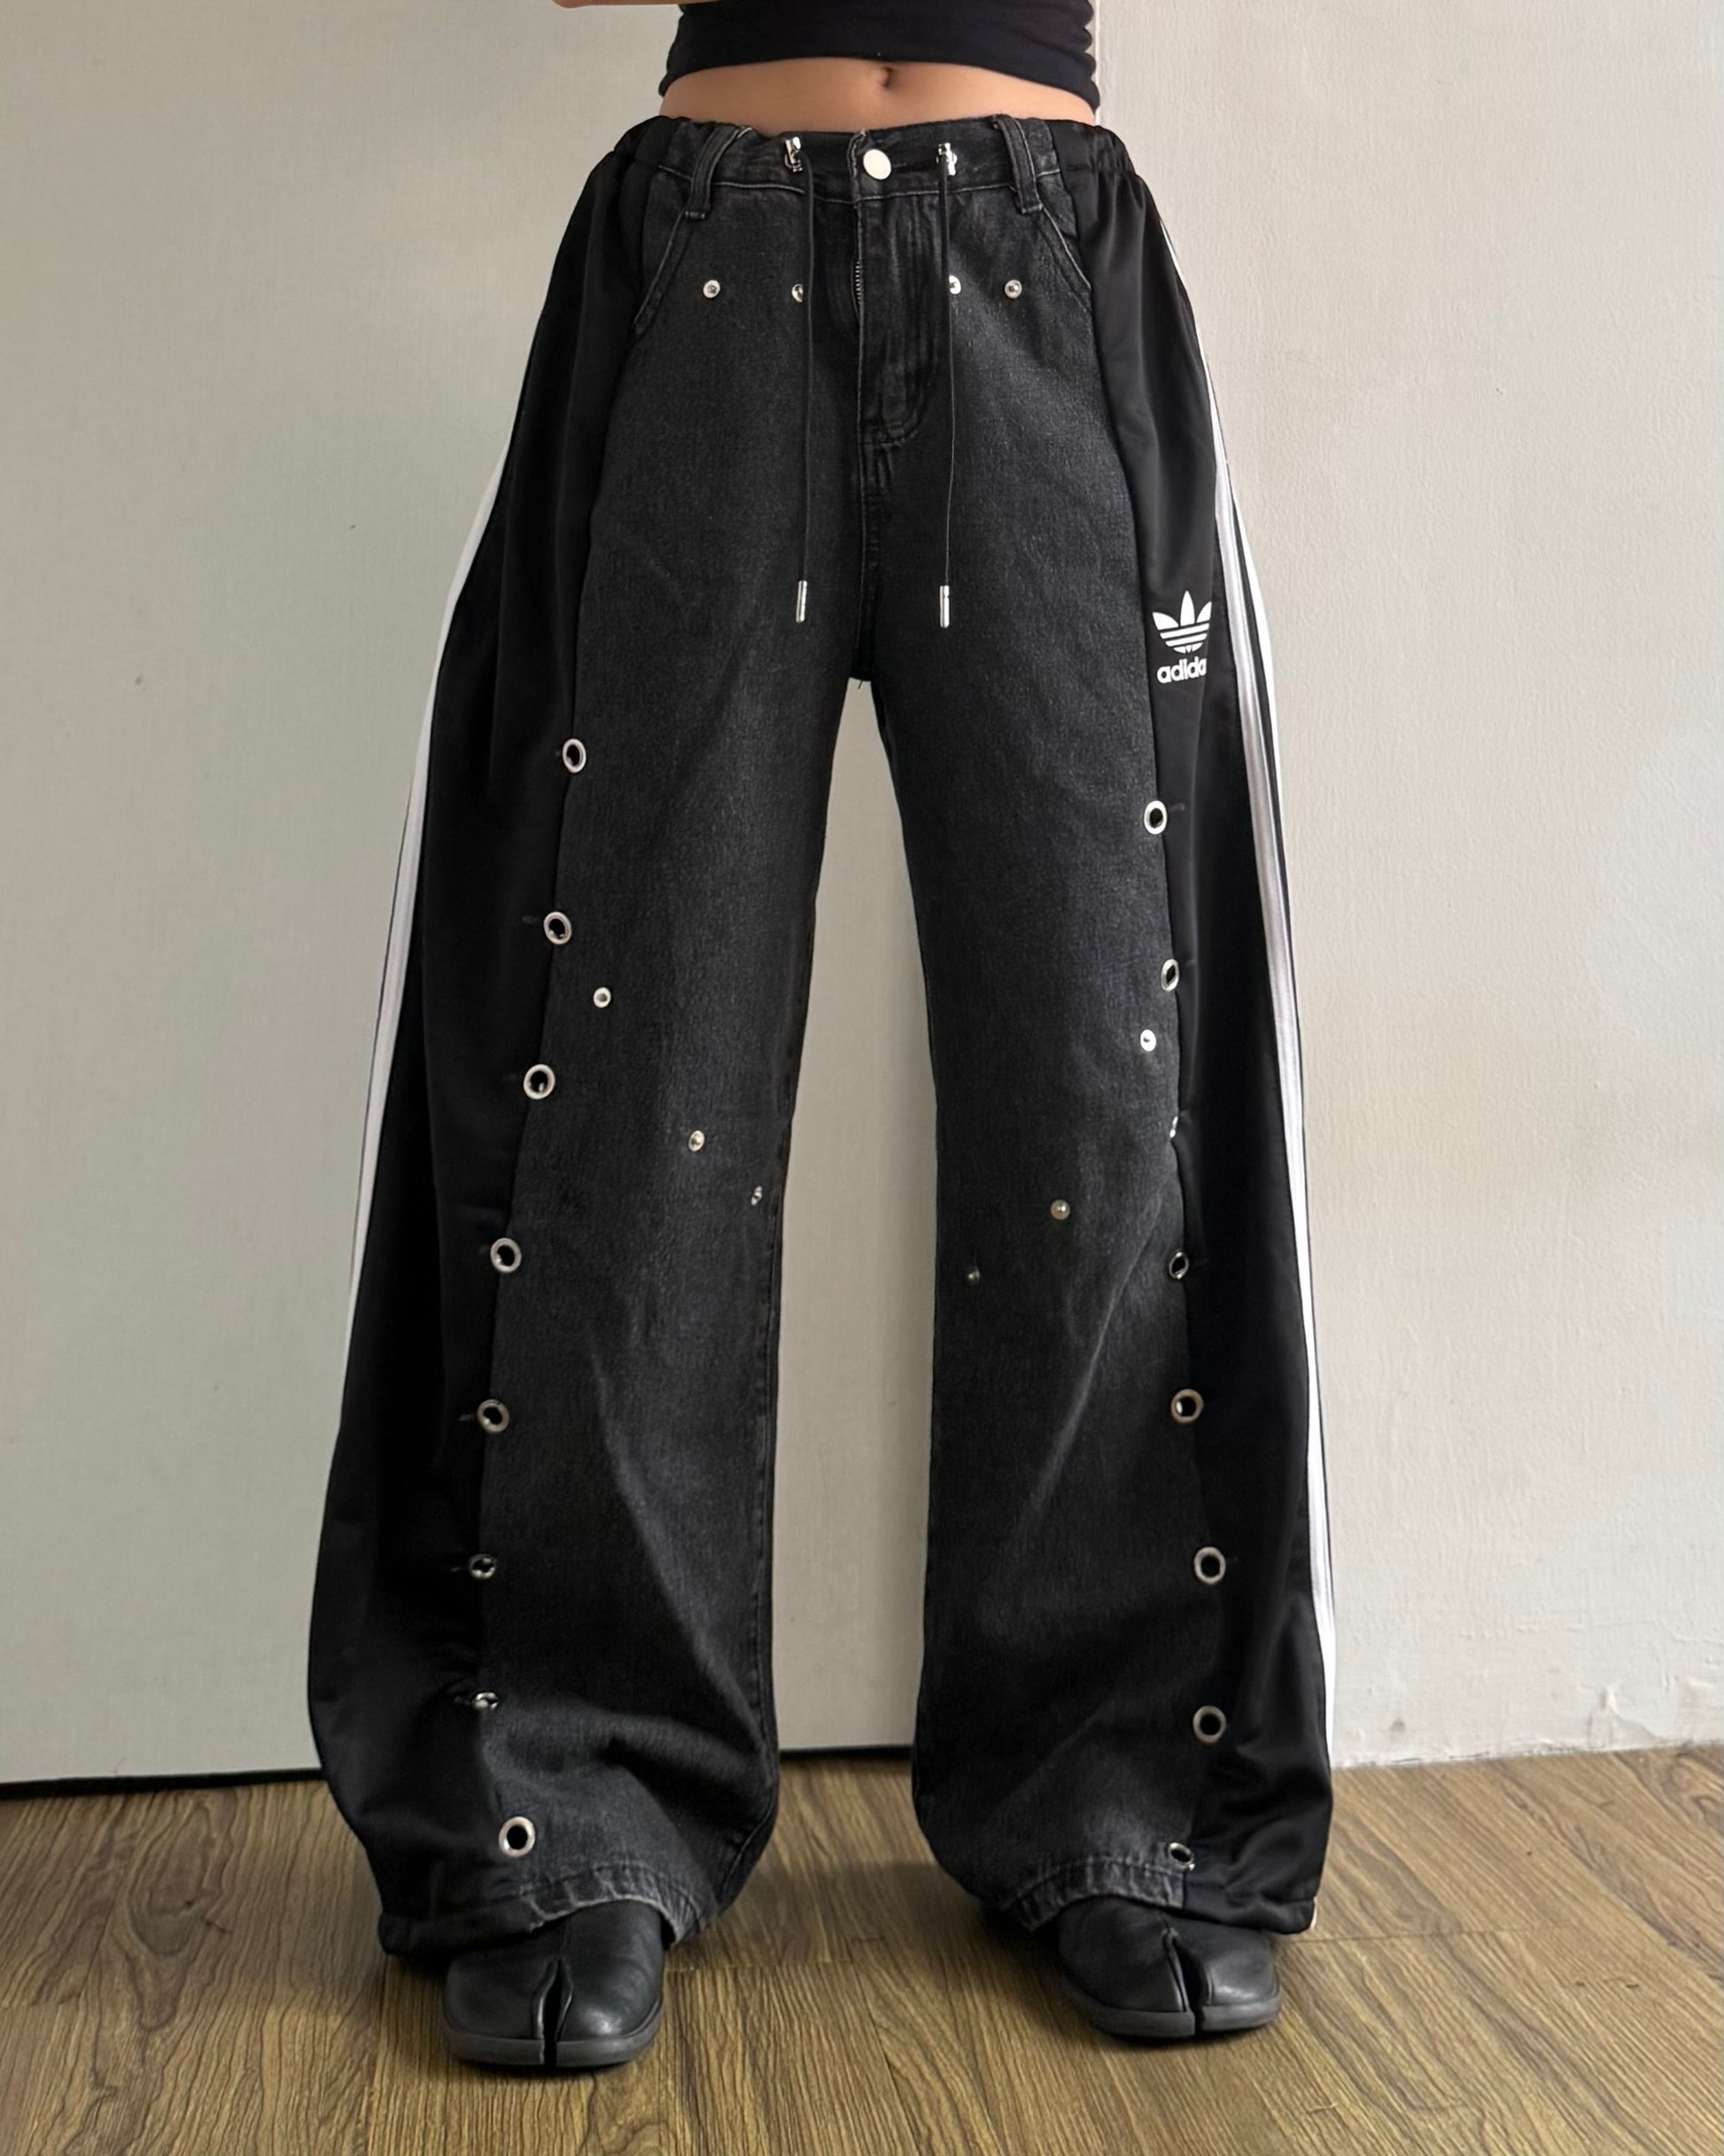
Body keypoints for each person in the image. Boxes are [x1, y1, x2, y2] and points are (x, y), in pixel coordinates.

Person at [306, 0, 1338, 2073]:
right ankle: (565, 1796)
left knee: (1109, 1058)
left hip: (1043, 257)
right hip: (704, 257)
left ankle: (1128, 1777)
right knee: (616, 1067)